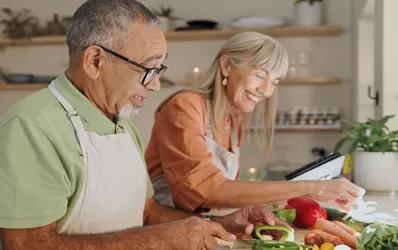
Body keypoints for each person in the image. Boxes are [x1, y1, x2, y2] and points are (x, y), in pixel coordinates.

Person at [0, 1, 292, 249]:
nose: (154, 85)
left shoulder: (123, 125)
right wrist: (160, 240)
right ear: (95, 61)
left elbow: (147, 210)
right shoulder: (32, 127)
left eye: (159, 70)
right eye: (148, 69)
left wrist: (215, 224)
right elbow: (27, 244)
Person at [145, 31, 363, 213]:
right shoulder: (184, 106)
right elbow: (203, 191)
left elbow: (225, 195)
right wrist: (310, 187)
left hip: (198, 230)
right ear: (227, 65)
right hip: (163, 232)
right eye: (260, 75)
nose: (266, 90)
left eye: (274, 82)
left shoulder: (233, 117)